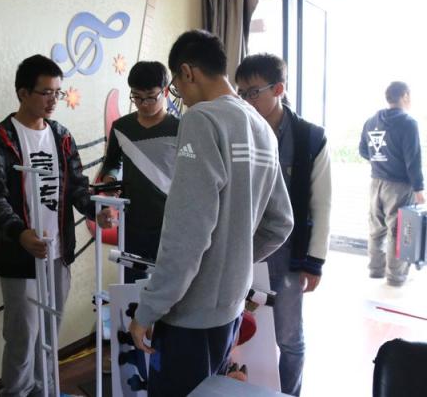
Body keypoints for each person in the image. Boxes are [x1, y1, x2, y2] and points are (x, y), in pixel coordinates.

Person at [128, 30, 294, 396]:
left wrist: (148, 310)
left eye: (176, 88)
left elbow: (188, 232)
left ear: (187, 72)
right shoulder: (262, 127)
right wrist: (234, 260)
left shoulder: (202, 119)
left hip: (190, 315)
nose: (181, 98)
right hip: (230, 310)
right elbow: (281, 222)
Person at [0, 54, 112, 396]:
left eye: (58, 92)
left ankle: (44, 390)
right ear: (23, 93)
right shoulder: (0, 138)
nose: (54, 100)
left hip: (58, 252)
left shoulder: (61, 136)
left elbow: (77, 187)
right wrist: (20, 234)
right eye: (46, 92)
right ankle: (16, 392)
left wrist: (95, 211)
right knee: (23, 334)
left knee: (50, 330)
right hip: (19, 255)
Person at [235, 53, 332, 396]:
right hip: (245, 248)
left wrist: (314, 261)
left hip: (289, 254)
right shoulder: (240, 131)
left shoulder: (310, 137)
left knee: (289, 338)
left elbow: (322, 204)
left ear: (278, 89)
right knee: (239, 328)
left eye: (253, 92)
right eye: (241, 93)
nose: (246, 100)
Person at [99, 61, 180, 283]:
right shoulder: (121, 127)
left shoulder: (180, 128)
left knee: (168, 286)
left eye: (150, 97)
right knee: (131, 286)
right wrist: (110, 183)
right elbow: (111, 163)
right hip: (131, 221)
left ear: (165, 92)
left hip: (170, 222)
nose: (143, 104)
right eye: (136, 97)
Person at [359, 81, 423, 287]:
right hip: (399, 186)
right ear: (404, 96)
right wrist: (419, 189)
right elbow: (413, 159)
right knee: (398, 231)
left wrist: (381, 162)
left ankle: (375, 270)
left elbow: (363, 150)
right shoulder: (408, 123)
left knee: (376, 229)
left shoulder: (371, 121)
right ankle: (396, 277)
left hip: (376, 183)